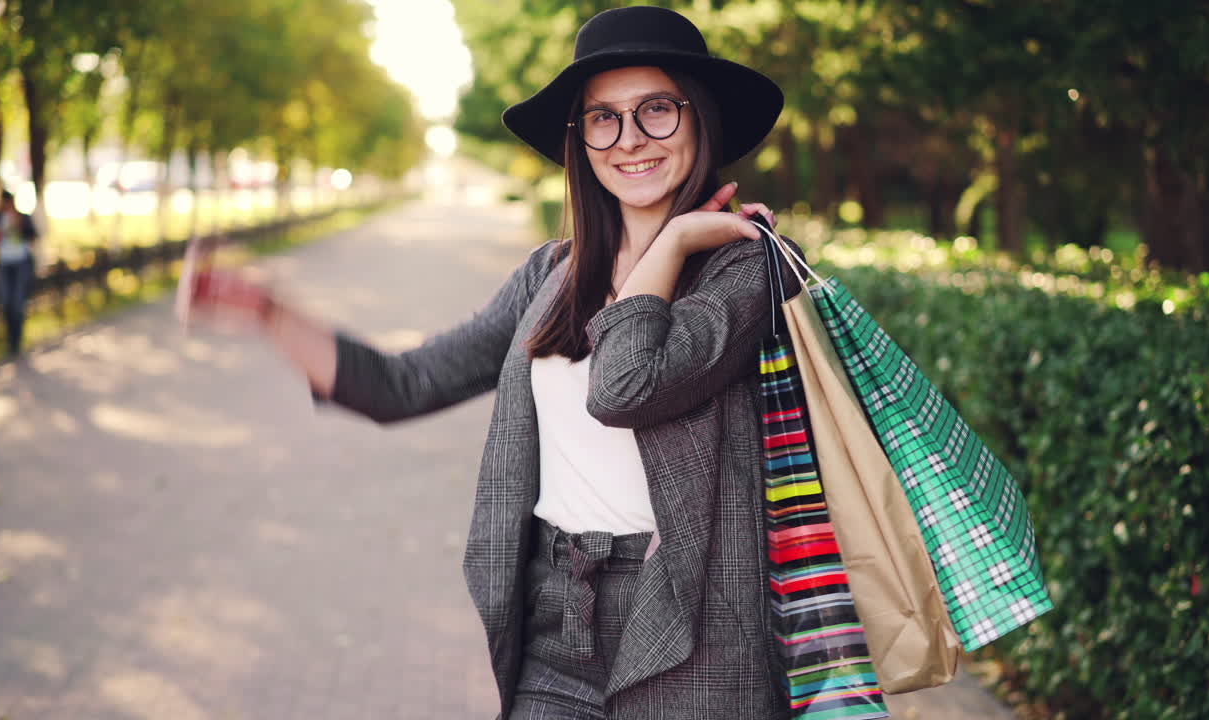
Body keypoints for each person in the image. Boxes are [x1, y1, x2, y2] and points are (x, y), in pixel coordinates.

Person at [184, 6, 798, 718]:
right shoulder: (550, 279)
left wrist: (672, 244)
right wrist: (267, 312)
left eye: (657, 110)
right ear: (580, 139)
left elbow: (625, 387)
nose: (629, 139)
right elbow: (404, 385)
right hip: (558, 611)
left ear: (702, 120)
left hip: (692, 623)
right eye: (603, 118)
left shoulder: (743, 270)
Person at [0, 190, 40, 357]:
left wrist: (18, 224)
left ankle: (17, 341)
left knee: (17, 303)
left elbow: (33, 236)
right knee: (6, 302)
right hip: (4, 264)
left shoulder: (22, 216)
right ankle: (10, 339)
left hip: (20, 264)